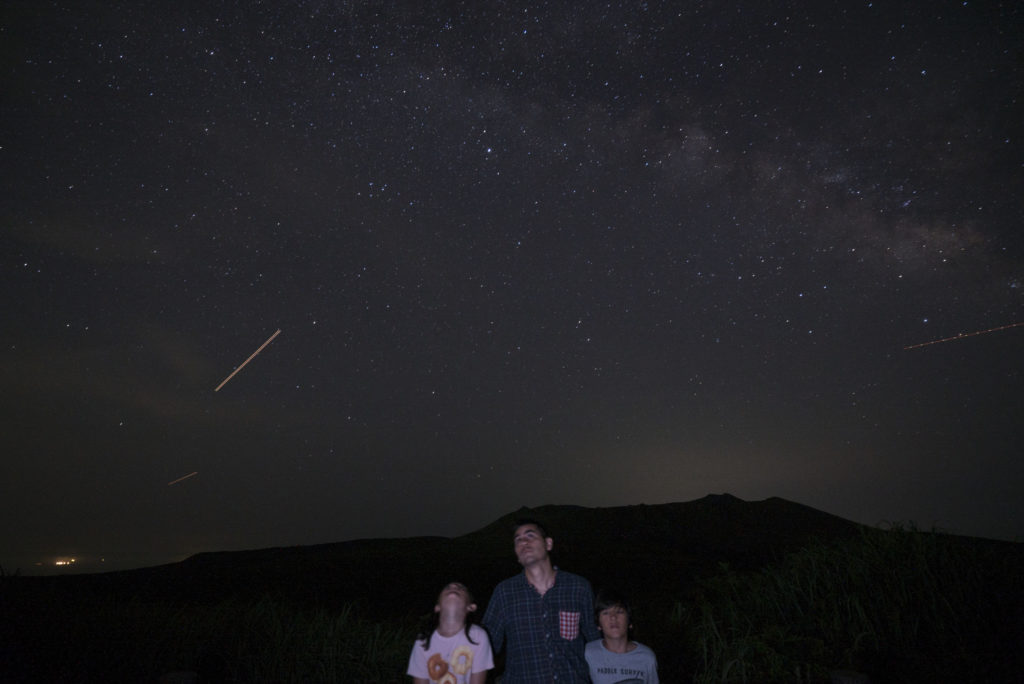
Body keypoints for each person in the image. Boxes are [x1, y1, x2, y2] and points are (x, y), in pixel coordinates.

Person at [482, 518, 599, 683]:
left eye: (530, 536)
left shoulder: (578, 587)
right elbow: (486, 645)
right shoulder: (504, 592)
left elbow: (595, 638)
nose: (523, 541)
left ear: (548, 544)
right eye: (518, 539)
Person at [407, 581, 494, 684]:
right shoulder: (423, 641)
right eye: (447, 587)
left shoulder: (478, 636)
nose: (453, 586)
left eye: (461, 587)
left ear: (471, 607)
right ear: (437, 607)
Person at [585, 589, 659, 684]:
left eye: (619, 612)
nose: (613, 617)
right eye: (606, 613)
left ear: (630, 622)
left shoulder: (647, 657)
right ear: (598, 624)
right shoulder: (588, 653)